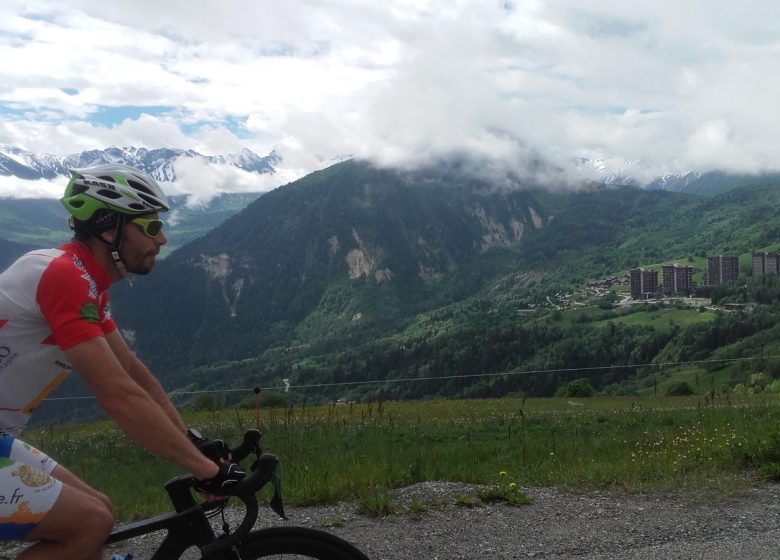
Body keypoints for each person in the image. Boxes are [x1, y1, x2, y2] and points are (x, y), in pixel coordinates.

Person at [0, 164, 244, 559]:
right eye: (149, 226)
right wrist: (206, 471)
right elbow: (119, 396)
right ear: (108, 226)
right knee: (89, 523)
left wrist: (193, 441)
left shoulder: (87, 284)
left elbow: (135, 375)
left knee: (100, 512)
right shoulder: (63, 275)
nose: (162, 238)